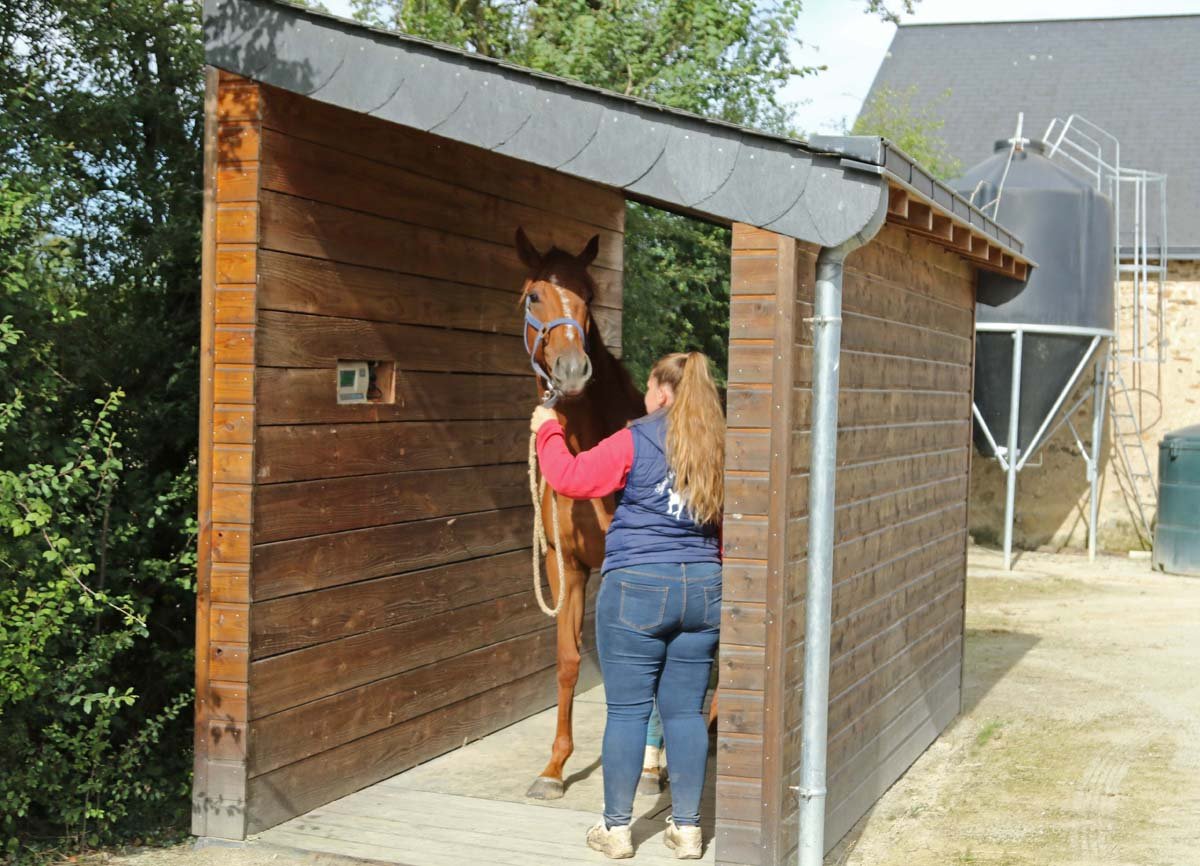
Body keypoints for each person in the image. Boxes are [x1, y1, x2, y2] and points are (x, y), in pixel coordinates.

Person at [530, 351, 725, 860]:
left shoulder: (637, 437)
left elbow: (571, 477)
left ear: (661, 391)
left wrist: (546, 429)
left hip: (638, 587)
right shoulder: (719, 444)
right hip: (703, 588)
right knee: (686, 712)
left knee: (627, 712)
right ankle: (687, 830)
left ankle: (616, 830)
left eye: (649, 388)